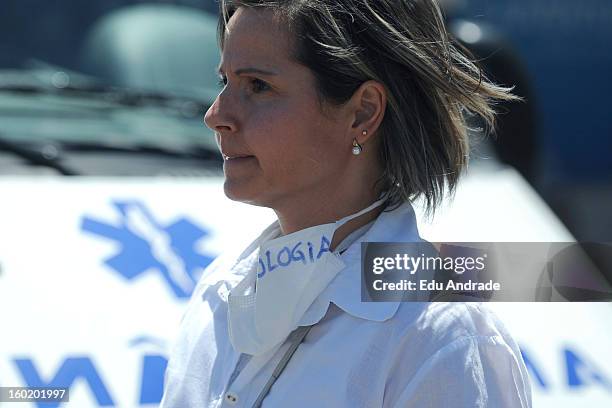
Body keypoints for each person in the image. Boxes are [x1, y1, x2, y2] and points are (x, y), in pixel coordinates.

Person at [161, 0, 532, 406]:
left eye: (258, 86)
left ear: (363, 113)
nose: (217, 116)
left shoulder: (441, 336)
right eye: (224, 83)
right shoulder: (218, 290)